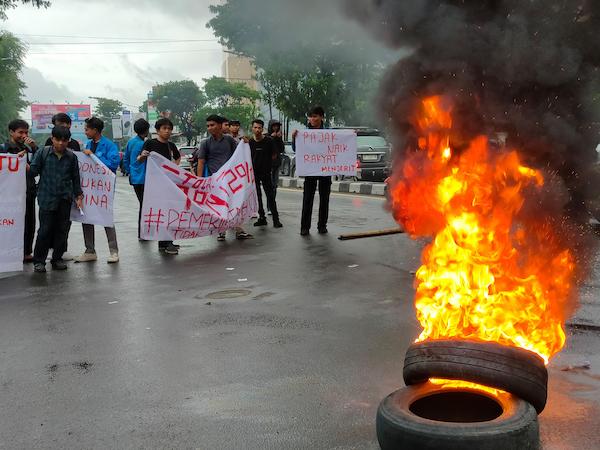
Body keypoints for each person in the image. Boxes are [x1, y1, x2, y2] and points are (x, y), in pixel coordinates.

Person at [29, 126, 83, 273]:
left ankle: (57, 258)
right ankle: (39, 261)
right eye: (58, 140)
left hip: (65, 199)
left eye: (64, 141)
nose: (61, 143)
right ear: (52, 139)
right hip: (46, 198)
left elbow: (75, 179)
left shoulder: (72, 157)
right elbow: (33, 171)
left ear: (68, 141)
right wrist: (24, 164)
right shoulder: (43, 153)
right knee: (45, 231)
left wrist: (79, 196)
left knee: (62, 230)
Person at [195, 114, 253, 241]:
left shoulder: (229, 140)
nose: (209, 128)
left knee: (235, 204)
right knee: (219, 207)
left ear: (220, 125)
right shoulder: (205, 143)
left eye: (212, 125)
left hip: (231, 180)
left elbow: (239, 154)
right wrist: (199, 181)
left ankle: (239, 230)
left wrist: (245, 142)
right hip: (215, 181)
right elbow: (201, 161)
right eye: (208, 126)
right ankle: (221, 231)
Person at [74, 117, 120, 263]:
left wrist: (93, 156)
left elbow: (113, 165)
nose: (85, 131)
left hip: (103, 190)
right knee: (86, 217)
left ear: (95, 130)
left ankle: (114, 251)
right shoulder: (88, 144)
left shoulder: (109, 145)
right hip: (89, 188)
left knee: (106, 218)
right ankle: (90, 250)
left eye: (87, 129)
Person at [137, 118, 181, 255]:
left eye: (169, 129)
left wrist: (174, 167)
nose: (167, 131)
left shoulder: (171, 146)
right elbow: (139, 159)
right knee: (162, 212)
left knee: (168, 211)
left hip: (168, 184)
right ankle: (167, 242)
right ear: (157, 130)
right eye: (164, 128)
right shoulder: (150, 143)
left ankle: (165, 242)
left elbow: (178, 158)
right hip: (154, 185)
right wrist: (143, 156)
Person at [43, 112, 81, 261]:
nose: (61, 142)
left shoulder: (75, 145)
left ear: (70, 125)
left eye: (64, 124)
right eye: (58, 125)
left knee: (65, 224)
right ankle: (47, 251)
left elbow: (77, 170)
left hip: (67, 192)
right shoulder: (48, 143)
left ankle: (61, 251)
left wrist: (78, 193)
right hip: (50, 192)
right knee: (48, 225)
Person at [0, 119, 38, 262]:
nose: (24, 135)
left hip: (28, 191)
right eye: (20, 132)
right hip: (9, 194)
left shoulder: (29, 149)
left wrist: (34, 147)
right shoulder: (3, 149)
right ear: (11, 132)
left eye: (26, 132)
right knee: (10, 222)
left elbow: (38, 165)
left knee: (29, 222)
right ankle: (7, 251)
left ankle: (27, 252)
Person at [292, 106, 331, 236]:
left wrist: (350, 136)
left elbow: (339, 145)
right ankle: (305, 227)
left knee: (324, 199)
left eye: (315, 116)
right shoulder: (304, 133)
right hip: (310, 171)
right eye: (310, 116)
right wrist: (294, 138)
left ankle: (322, 226)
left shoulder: (329, 133)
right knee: (307, 198)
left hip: (325, 170)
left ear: (321, 117)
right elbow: (295, 149)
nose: (312, 119)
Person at [249, 119, 282, 228]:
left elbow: (275, 154)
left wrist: (267, 164)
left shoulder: (269, 141)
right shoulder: (249, 142)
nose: (257, 130)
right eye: (255, 127)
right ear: (252, 128)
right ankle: (261, 217)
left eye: (259, 128)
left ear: (262, 129)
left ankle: (276, 220)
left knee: (270, 196)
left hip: (266, 173)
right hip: (254, 174)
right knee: (257, 196)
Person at [122, 118, 150, 241]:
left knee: (142, 204)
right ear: (147, 130)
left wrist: (130, 171)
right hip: (144, 178)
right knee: (145, 205)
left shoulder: (130, 142)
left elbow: (126, 159)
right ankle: (143, 233)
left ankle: (143, 233)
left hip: (134, 178)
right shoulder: (144, 144)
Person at [267, 119, 285, 214]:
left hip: (276, 164)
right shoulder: (266, 137)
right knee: (269, 186)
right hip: (268, 165)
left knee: (275, 186)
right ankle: (269, 207)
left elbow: (281, 149)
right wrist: (271, 137)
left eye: (277, 126)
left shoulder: (279, 137)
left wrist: (279, 139)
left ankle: (272, 206)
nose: (276, 128)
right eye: (274, 126)